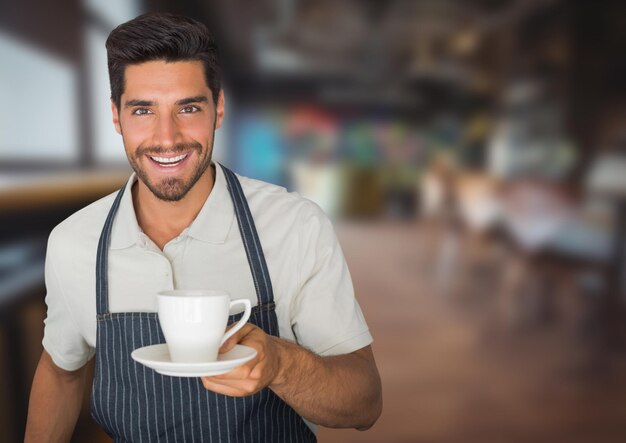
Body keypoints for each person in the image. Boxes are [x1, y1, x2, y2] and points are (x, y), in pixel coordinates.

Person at [25, 12, 382, 443]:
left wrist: (280, 365)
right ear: (117, 117)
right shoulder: (73, 243)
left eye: (188, 107)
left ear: (219, 108)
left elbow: (364, 402)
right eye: (143, 110)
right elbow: (62, 372)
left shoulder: (294, 226)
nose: (168, 137)